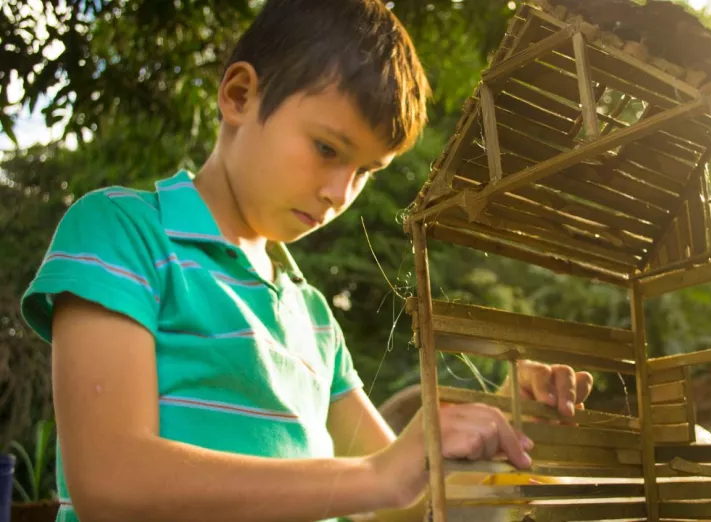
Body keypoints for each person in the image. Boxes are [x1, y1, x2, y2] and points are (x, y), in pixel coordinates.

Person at [19, 1, 593, 521]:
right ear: (239, 96)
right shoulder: (123, 232)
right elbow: (111, 482)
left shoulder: (313, 316)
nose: (340, 192)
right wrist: (377, 477)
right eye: (327, 149)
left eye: (366, 171)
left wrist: (501, 424)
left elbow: (400, 498)